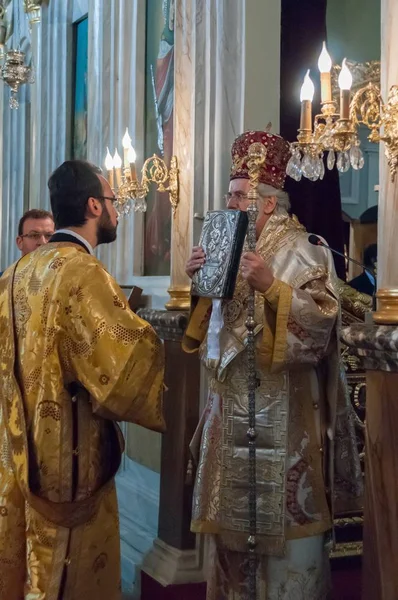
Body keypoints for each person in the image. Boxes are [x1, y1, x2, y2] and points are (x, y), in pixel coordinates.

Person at [183, 130, 362, 599]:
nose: (230, 202)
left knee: (287, 554)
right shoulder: (227, 246)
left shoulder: (304, 249)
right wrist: (200, 284)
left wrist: (271, 287)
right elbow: (213, 336)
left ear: (266, 203)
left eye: (239, 195)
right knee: (232, 549)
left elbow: (322, 326)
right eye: (229, 193)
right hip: (232, 414)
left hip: (286, 419)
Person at [0, 160, 165, 599]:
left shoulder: (16, 273)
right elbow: (121, 371)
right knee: (67, 576)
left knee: (34, 567)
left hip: (22, 452)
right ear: (94, 205)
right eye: (112, 201)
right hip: (69, 461)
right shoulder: (83, 273)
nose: (115, 211)